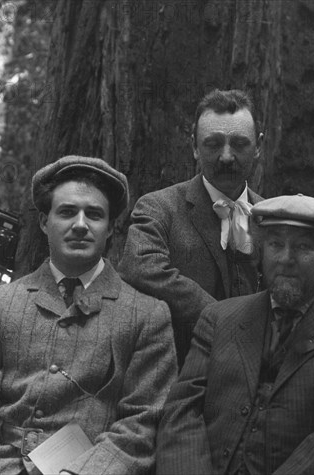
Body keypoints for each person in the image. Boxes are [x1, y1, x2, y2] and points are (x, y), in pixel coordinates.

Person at [0, 156, 177, 475]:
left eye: (94, 214)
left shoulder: (147, 316)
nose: (80, 224)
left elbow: (139, 429)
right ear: (44, 223)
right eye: (66, 212)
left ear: (109, 229)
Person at [156, 194, 314, 475]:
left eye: (302, 246)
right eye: (275, 244)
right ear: (261, 251)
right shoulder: (219, 318)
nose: (286, 259)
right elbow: (181, 413)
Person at [118, 89, 263, 367]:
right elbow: (139, 268)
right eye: (213, 144)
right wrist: (221, 319)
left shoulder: (272, 216)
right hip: (180, 378)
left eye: (240, 144)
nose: (226, 157)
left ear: (258, 146)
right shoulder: (159, 208)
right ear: (195, 146)